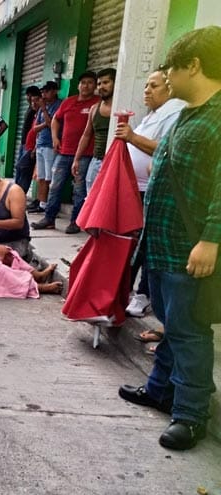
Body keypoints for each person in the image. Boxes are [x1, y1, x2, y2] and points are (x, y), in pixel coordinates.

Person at [119, 26, 221, 451]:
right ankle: (161, 389)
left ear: (193, 66)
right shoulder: (187, 114)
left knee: (189, 331)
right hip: (161, 244)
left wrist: (210, 239)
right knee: (171, 325)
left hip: (188, 248)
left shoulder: (217, 118)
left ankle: (191, 415)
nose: (165, 77)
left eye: (170, 70)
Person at [115, 69, 186, 319]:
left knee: (146, 245)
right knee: (133, 243)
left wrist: (132, 137)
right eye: (146, 85)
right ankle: (127, 292)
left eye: (154, 86)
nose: (146, 90)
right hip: (135, 188)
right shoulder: (155, 114)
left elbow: (167, 148)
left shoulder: (176, 111)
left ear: (170, 86)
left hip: (150, 190)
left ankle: (143, 295)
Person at [31, 71, 100, 233]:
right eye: (83, 82)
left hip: (85, 154)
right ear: (78, 85)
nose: (86, 86)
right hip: (64, 152)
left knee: (79, 189)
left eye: (90, 83)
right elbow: (56, 119)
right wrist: (55, 137)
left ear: (95, 86)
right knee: (55, 185)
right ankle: (49, 218)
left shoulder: (97, 103)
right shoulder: (69, 102)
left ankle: (76, 221)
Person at [73, 68, 116, 193]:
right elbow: (86, 135)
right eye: (99, 83)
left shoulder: (122, 108)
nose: (101, 87)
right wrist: (76, 159)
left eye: (106, 82)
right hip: (96, 161)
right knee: (90, 197)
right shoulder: (94, 109)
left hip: (114, 161)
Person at [29, 81, 62, 213]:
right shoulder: (44, 107)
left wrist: (43, 110)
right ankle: (42, 203)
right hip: (41, 144)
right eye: (42, 92)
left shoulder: (58, 106)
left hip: (50, 145)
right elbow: (35, 128)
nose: (43, 95)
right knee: (41, 177)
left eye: (46, 91)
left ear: (54, 91)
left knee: (49, 177)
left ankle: (49, 204)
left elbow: (52, 124)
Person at [15, 86, 42, 194]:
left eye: (32, 98)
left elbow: (38, 131)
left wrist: (34, 148)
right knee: (20, 168)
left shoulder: (39, 112)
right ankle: (16, 191)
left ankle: (20, 193)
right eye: (30, 99)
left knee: (25, 169)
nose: (30, 100)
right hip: (25, 144)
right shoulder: (32, 109)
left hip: (31, 146)